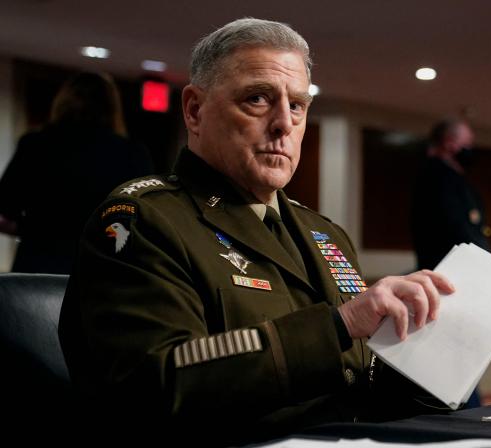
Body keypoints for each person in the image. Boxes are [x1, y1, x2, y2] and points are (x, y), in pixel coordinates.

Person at [58, 18, 454, 445]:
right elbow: (156, 386)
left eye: (298, 105)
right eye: (258, 99)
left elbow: (361, 387)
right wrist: (339, 325)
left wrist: (432, 360)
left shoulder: (326, 234)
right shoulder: (144, 220)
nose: (284, 123)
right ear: (194, 110)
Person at [0, 72, 153, 274]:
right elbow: (144, 218)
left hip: (39, 264)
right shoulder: (131, 153)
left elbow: (5, 211)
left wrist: (32, 228)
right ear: (112, 107)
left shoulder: (36, 144)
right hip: (101, 267)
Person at [411, 119, 491, 271]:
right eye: (467, 143)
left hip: (462, 266)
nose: (470, 148)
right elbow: (456, 227)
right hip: (449, 268)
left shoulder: (454, 177)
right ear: (449, 143)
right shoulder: (437, 177)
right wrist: (489, 257)